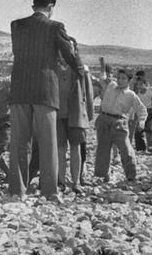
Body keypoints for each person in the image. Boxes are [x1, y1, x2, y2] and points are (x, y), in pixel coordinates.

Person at [9, 0, 83, 198]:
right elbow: (69, 54)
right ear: (51, 8)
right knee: (48, 141)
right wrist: (80, 70)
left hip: (19, 88)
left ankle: (17, 189)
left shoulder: (16, 25)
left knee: (19, 142)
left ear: (33, 6)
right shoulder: (55, 27)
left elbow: (19, 52)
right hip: (45, 90)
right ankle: (49, 190)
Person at [55, 39, 94, 193]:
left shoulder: (80, 69)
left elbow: (88, 92)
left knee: (75, 148)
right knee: (60, 149)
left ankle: (76, 182)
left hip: (76, 113)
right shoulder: (54, 68)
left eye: (69, 48)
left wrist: (88, 114)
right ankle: (62, 181)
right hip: (58, 113)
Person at [94, 69, 147, 182]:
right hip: (104, 120)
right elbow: (102, 79)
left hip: (119, 122)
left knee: (126, 149)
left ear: (129, 81)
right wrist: (103, 65)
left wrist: (141, 122)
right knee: (103, 149)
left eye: (123, 78)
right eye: (118, 78)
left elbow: (142, 109)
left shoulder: (131, 95)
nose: (120, 80)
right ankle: (101, 175)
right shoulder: (111, 85)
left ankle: (131, 175)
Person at [132, 77, 152, 152]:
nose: (139, 86)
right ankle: (141, 148)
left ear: (145, 84)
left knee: (149, 129)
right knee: (138, 130)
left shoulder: (150, 91)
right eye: (138, 84)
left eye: (141, 84)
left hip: (151, 111)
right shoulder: (137, 95)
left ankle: (151, 147)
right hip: (141, 113)